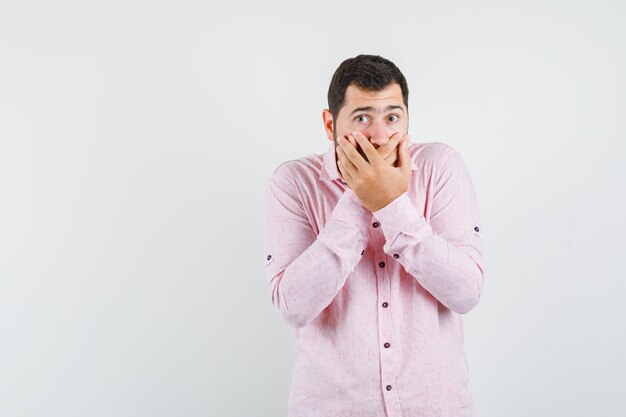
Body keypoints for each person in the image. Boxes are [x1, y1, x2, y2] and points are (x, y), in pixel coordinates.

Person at [263, 54, 485, 417]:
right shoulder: (293, 182)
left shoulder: (440, 166)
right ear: (329, 123)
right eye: (363, 117)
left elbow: (466, 292)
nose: (380, 135)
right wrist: (361, 196)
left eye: (392, 117)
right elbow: (293, 306)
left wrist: (392, 205)